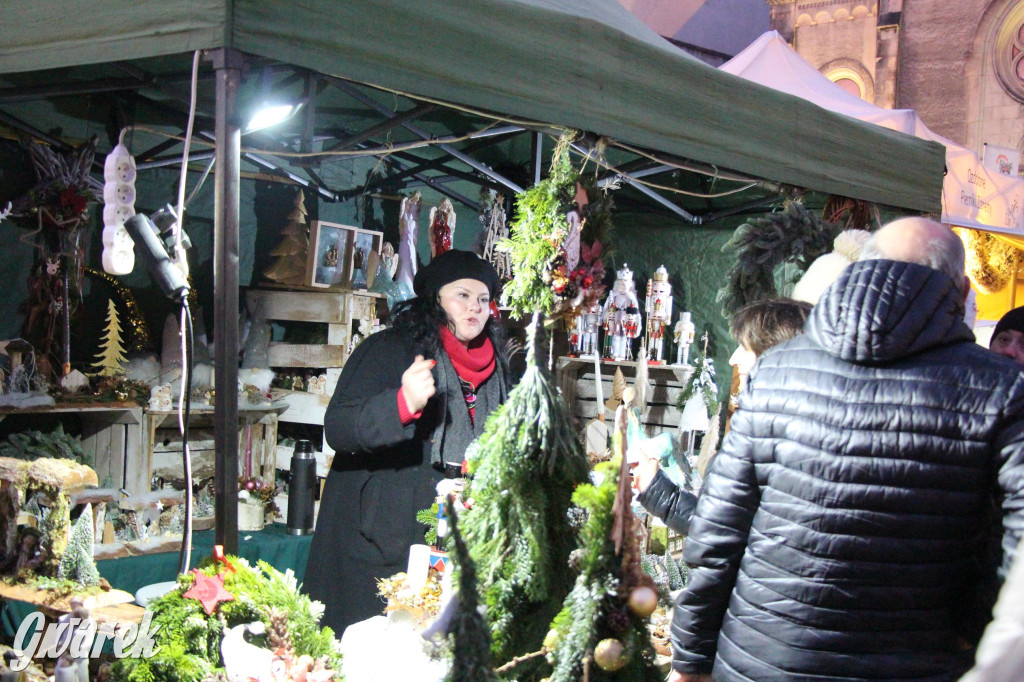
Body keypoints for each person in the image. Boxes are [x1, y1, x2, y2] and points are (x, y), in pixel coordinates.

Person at [669, 217, 1024, 682]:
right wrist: (974, 627)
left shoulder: (777, 369)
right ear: (958, 293)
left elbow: (718, 532)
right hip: (913, 660)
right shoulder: (999, 389)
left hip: (764, 661)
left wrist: (691, 657)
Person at [304, 249, 510, 635]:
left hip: (448, 540)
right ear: (435, 298)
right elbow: (339, 427)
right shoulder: (390, 350)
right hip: (379, 544)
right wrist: (401, 404)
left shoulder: (497, 370)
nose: (475, 308)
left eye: (483, 299)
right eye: (462, 295)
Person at [634, 298, 811, 535]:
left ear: (776, 355)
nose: (733, 359)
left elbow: (722, 534)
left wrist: (656, 489)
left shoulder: (782, 444)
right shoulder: (774, 428)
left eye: (745, 348)